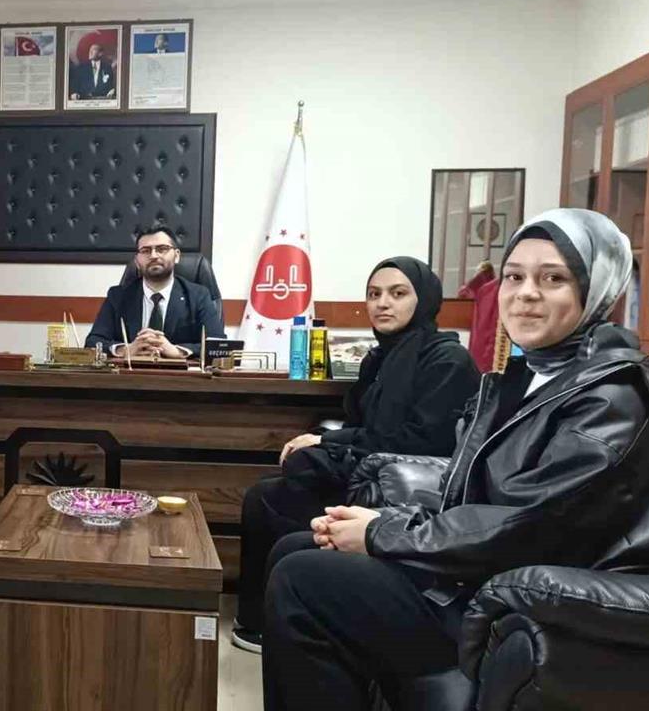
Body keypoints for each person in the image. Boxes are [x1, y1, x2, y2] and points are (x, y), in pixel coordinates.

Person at [263, 209, 649, 710]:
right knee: (296, 547)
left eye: (554, 279)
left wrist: (380, 534)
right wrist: (384, 522)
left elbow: (530, 523)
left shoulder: (612, 396)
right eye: (514, 277)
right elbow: (467, 494)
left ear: (598, 291)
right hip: (472, 572)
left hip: (514, 601)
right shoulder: (526, 378)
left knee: (303, 580)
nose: (526, 294)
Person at [232, 257, 479, 653]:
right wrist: (324, 439)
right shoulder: (379, 358)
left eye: (398, 294)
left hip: (406, 496)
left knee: (275, 496)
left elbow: (418, 441)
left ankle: (274, 621)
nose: (383, 303)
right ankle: (258, 622)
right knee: (268, 492)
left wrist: (326, 444)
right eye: (374, 294)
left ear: (425, 299)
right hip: (370, 470)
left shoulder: (446, 360)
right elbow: (362, 424)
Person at [85, 225, 224, 358]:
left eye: (162, 249)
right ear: (137, 261)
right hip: (131, 372)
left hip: (179, 373)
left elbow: (218, 345)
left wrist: (178, 351)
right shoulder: (118, 296)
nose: (153, 255)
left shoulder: (198, 296)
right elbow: (93, 342)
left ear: (176, 256)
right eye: (145, 251)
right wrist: (126, 349)